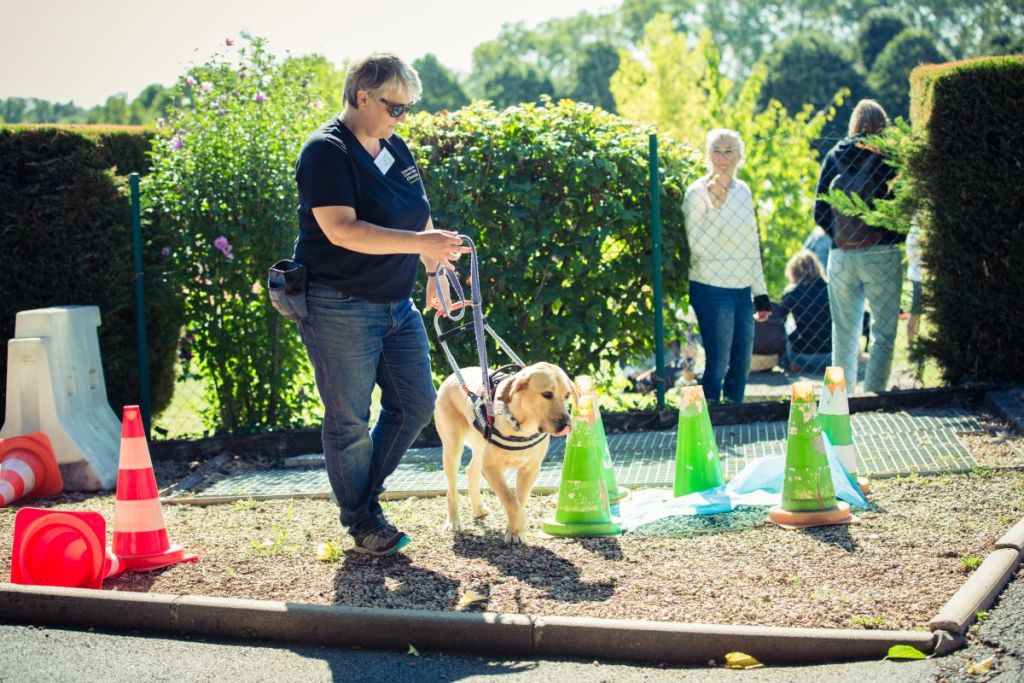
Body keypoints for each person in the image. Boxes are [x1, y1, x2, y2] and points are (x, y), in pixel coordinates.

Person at [292, 53, 469, 556]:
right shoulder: (326, 152)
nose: (402, 119)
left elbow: (420, 215)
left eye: (409, 109)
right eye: (396, 108)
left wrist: (435, 270)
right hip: (338, 304)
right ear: (361, 96)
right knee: (348, 419)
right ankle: (364, 520)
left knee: (415, 405)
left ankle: (362, 501)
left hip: (396, 305)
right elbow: (342, 230)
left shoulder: (393, 146)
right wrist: (421, 247)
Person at [814, 99, 903, 393]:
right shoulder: (889, 156)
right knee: (883, 330)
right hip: (882, 253)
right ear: (884, 124)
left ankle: (840, 398)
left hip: (841, 256)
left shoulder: (833, 155)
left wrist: (839, 237)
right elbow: (902, 206)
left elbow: (819, 211)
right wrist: (886, 236)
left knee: (843, 333)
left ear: (853, 123)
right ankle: (874, 395)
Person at [683, 128, 772, 403]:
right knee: (717, 363)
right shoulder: (697, 193)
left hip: (741, 288)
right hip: (710, 287)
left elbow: (751, 243)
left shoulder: (743, 191)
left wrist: (761, 293)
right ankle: (710, 418)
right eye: (716, 151)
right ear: (708, 155)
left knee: (742, 361)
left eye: (728, 150)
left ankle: (735, 415)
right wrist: (717, 208)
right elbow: (698, 246)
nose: (722, 157)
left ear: (739, 156)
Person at [778, 249, 832, 374]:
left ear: (793, 271)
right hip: (832, 356)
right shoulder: (831, 289)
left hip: (801, 356)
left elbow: (778, 319)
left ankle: (792, 365)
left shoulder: (792, 292)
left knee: (787, 324)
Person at [905, 218, 923, 344]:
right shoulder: (917, 231)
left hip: (916, 274)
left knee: (916, 310)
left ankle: (912, 341)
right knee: (915, 311)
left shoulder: (912, 231)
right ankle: (911, 342)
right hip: (920, 276)